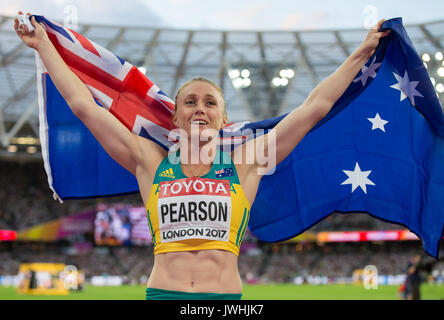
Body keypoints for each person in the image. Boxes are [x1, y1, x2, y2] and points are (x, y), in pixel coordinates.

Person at [14, 11, 391, 300]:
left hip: (225, 299)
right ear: (175, 117)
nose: (199, 108)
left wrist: (363, 51)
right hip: (162, 293)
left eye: (210, 103)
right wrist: (45, 45)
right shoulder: (151, 161)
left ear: (223, 119)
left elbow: (314, 107)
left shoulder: (247, 162)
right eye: (189, 102)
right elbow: (85, 108)